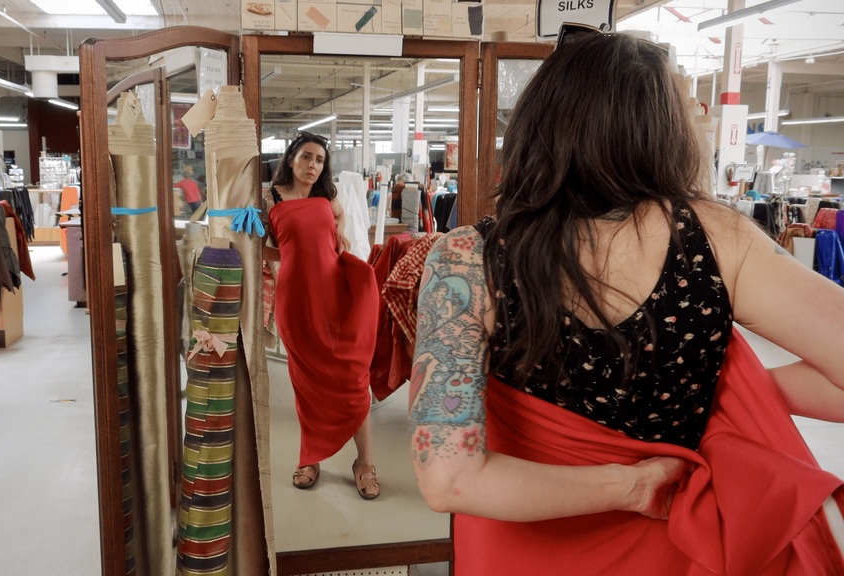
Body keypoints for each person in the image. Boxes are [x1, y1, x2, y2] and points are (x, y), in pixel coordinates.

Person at [409, 25, 844, 574]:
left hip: (520, 545)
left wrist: (631, 487)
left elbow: (449, 480)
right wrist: (718, 392)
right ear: (665, 132)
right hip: (669, 547)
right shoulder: (716, 240)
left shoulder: (466, 258)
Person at [261, 131, 382, 500]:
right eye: (306, 157)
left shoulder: (327, 196)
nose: (312, 166)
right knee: (307, 383)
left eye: (319, 161)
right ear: (291, 158)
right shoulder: (270, 198)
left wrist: (337, 239)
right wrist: (295, 259)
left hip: (336, 293)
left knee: (352, 378)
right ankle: (310, 458)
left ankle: (364, 462)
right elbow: (261, 249)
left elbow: (340, 219)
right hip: (296, 301)